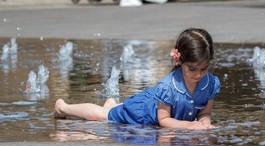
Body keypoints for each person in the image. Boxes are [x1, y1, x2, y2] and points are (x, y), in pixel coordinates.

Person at [54, 28, 220, 130]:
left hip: (152, 108)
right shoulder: (168, 86)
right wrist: (189, 125)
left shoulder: (210, 84)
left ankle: (113, 103)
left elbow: (205, 112)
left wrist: (204, 123)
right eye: (192, 69)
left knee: (113, 111)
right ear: (180, 60)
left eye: (203, 69)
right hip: (143, 113)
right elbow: (164, 120)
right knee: (105, 116)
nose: (198, 74)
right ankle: (64, 107)